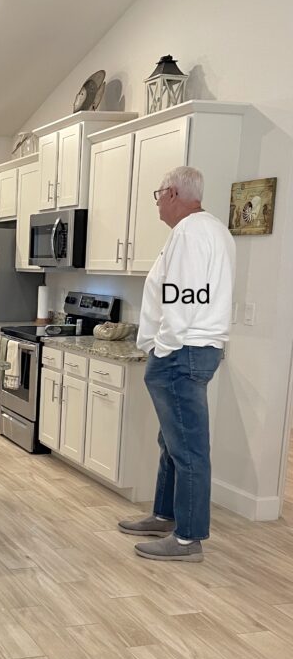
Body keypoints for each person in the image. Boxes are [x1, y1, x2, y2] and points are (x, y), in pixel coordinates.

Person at [118, 166, 235, 563]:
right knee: (172, 441)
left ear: (171, 193)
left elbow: (183, 300)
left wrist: (162, 346)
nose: (156, 204)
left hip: (182, 351)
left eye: (157, 195)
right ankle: (165, 516)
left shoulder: (189, 233)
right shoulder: (214, 229)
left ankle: (187, 539)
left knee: (187, 448)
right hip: (194, 349)